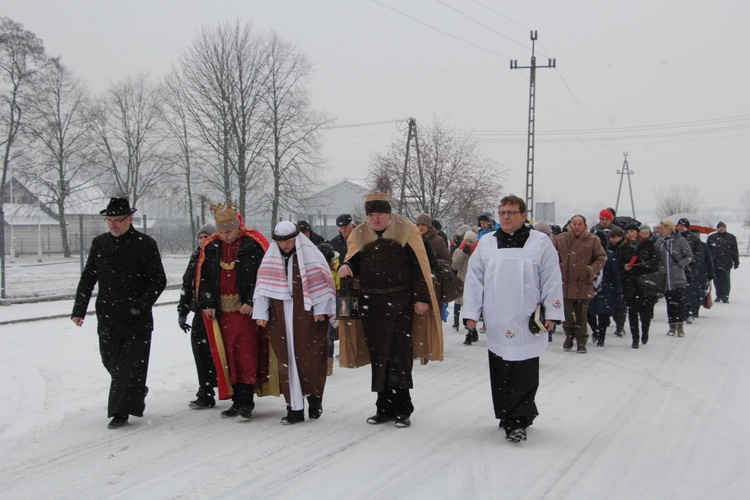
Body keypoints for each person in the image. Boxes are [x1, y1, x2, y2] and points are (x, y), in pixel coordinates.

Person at [463, 194, 564, 443]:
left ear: (523, 215)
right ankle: (506, 414)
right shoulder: (486, 244)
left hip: (526, 318)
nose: (506, 217)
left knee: (524, 371)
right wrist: (471, 313)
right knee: (501, 370)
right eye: (502, 212)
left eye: (511, 212)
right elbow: (474, 279)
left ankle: (518, 420)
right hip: (497, 318)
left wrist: (552, 312)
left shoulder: (539, 243)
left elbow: (551, 278)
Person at [337, 192, 443, 429]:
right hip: (371, 305)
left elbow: (419, 267)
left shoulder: (406, 230)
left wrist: (422, 298)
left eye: (379, 214)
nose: (375, 219)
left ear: (388, 213)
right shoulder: (360, 234)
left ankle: (403, 408)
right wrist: (345, 265)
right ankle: (383, 407)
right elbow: (353, 259)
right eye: (371, 214)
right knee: (379, 355)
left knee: (400, 356)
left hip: (400, 302)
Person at [71, 197, 167, 429]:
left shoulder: (145, 244)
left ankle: (119, 413)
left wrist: (140, 304)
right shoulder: (100, 243)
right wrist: (79, 309)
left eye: (117, 220)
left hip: (136, 319)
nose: (113, 225)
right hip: (108, 317)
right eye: (109, 220)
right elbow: (88, 278)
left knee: (126, 367)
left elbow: (158, 280)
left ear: (130, 219)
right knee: (111, 362)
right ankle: (135, 389)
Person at [253, 221, 337, 424]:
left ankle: (315, 397)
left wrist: (321, 308)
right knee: (286, 361)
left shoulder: (310, 256)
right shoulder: (271, 259)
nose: (285, 246)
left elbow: (322, 282)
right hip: (280, 316)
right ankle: (294, 408)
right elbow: (263, 288)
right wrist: (261, 313)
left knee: (310, 359)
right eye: (281, 242)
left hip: (307, 315)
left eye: (288, 241)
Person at [196, 201, 272, 419]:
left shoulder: (253, 244)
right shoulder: (211, 246)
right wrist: (208, 302)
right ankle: (236, 399)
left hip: (245, 312)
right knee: (227, 356)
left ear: (238, 225)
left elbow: (263, 275)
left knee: (246, 355)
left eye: (229, 231)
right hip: (222, 313)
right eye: (221, 232)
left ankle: (246, 400)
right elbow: (205, 278)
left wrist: (251, 300)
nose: (225, 236)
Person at [177, 223, 218, 409]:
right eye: (200, 237)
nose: (202, 240)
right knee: (201, 353)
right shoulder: (195, 257)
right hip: (199, 312)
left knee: (218, 353)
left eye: (206, 237)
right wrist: (182, 312)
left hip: (217, 313)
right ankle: (206, 391)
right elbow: (187, 285)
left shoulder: (216, 256)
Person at [553, 215, 607, 353]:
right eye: (574, 224)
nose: (576, 226)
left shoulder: (593, 240)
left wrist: (591, 269)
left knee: (582, 315)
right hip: (565, 283)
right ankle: (569, 336)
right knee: (567, 315)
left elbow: (601, 257)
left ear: (584, 226)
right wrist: (558, 266)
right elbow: (552, 256)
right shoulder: (560, 239)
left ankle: (581, 341)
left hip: (583, 283)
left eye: (579, 224)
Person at [618, 223, 660, 348]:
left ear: (637, 232)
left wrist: (644, 264)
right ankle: (634, 337)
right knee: (632, 311)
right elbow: (618, 263)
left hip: (645, 281)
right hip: (630, 282)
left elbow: (655, 261)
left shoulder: (648, 245)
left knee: (646, 310)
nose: (630, 233)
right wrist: (624, 267)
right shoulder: (623, 247)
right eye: (627, 232)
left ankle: (645, 331)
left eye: (632, 231)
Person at [655, 219, 693, 337]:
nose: (659, 230)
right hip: (665, 279)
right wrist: (660, 267)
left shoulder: (681, 241)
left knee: (679, 302)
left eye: (662, 228)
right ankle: (671, 326)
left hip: (678, 278)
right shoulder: (659, 242)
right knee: (670, 303)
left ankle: (680, 326)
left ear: (669, 228)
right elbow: (656, 257)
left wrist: (680, 265)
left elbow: (689, 256)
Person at [451, 229, 479, 344]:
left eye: (470, 242)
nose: (468, 244)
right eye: (466, 241)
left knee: (471, 308)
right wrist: (463, 253)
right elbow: (454, 265)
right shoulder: (459, 250)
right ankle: (463, 325)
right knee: (460, 306)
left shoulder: (478, 252)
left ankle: (470, 332)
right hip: (462, 282)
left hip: (474, 283)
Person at [676, 218, 703, 323]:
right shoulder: (674, 237)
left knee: (689, 292)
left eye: (683, 225)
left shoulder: (694, 238)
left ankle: (689, 312)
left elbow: (699, 255)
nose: (680, 227)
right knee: (678, 293)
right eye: (679, 225)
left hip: (689, 270)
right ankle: (680, 313)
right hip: (676, 270)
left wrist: (692, 266)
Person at [707, 222, 740, 303]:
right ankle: (718, 295)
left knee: (725, 280)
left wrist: (736, 261)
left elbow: (735, 250)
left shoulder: (731, 237)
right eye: (720, 227)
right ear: (717, 228)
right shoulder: (712, 237)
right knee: (716, 280)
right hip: (715, 262)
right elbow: (707, 251)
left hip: (726, 262)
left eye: (723, 227)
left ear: (725, 228)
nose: (721, 229)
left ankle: (725, 296)